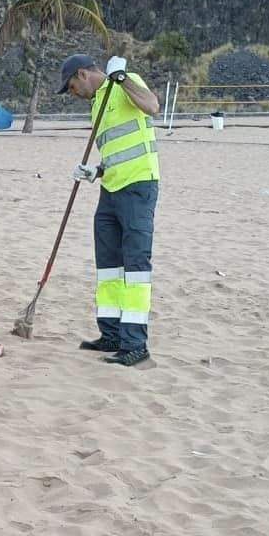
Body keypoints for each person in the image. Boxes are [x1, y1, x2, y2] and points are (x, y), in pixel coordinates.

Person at [58, 53, 163, 366]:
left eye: (71, 86)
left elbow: (152, 106)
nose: (72, 94)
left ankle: (135, 344)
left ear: (82, 74)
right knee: (108, 267)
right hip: (110, 189)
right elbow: (117, 150)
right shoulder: (97, 104)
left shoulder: (125, 85)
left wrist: (123, 78)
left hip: (138, 187)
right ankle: (112, 334)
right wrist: (95, 171)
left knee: (135, 267)